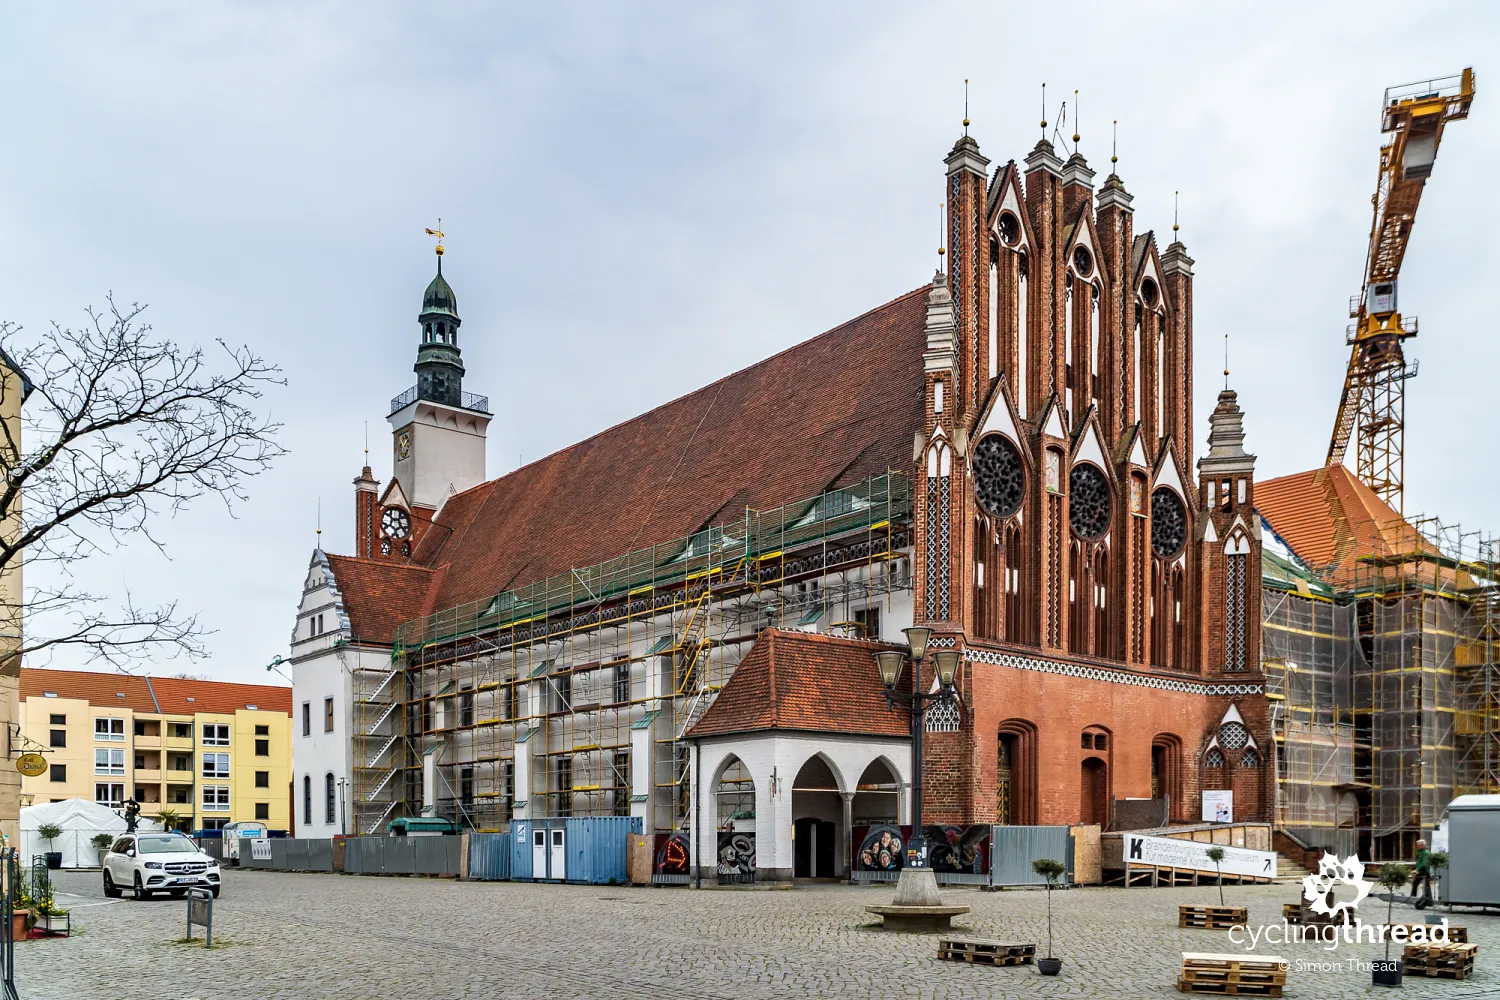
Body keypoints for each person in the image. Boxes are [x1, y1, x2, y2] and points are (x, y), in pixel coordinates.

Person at [1412, 838, 1433, 907]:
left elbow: (1424, 863)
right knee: (1415, 883)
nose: (1418, 846)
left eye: (1419, 845)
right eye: (1417, 845)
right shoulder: (1418, 852)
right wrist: (1416, 868)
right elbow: (1418, 862)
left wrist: (1417, 869)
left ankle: (1429, 901)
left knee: (1427, 886)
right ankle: (1412, 898)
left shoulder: (1425, 853)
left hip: (1425, 872)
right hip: (1419, 871)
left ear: (1423, 845)